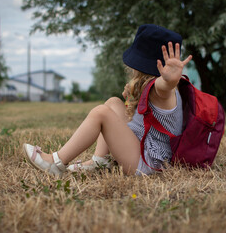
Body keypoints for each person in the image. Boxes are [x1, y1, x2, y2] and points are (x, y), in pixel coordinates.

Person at [23, 24, 192, 176]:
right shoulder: (149, 88)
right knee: (113, 103)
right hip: (142, 146)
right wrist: (133, 97)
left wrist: (169, 81)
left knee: (101, 113)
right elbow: (143, 119)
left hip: (147, 163)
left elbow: (164, 88)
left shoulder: (163, 90)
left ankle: (56, 163)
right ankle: (100, 161)